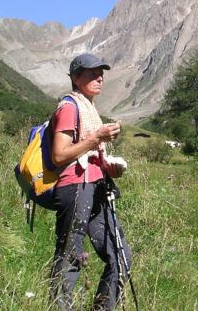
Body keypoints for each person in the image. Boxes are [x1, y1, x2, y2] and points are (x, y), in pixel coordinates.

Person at [49, 53, 132, 311]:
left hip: (96, 187)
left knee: (120, 256)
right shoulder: (69, 108)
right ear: (75, 78)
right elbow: (59, 155)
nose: (99, 78)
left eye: (101, 73)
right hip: (74, 188)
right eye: (91, 73)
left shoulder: (90, 108)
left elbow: (89, 153)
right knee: (70, 258)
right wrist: (97, 137)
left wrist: (109, 168)